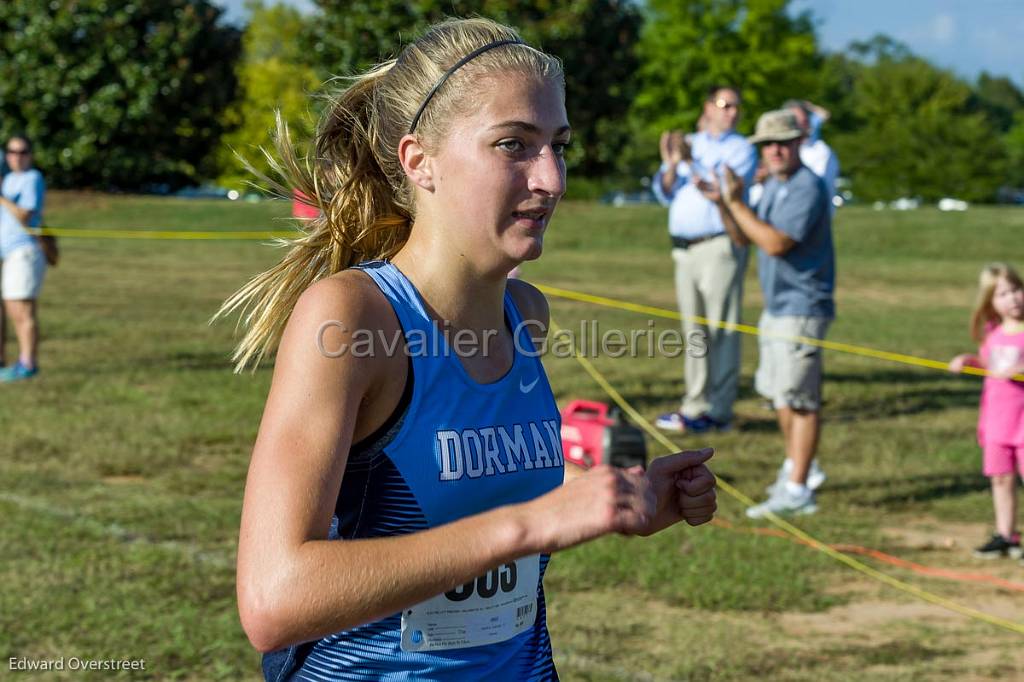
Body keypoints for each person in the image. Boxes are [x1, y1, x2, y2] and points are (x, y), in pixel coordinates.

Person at [218, 18, 718, 681]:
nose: (551, 180)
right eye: (513, 144)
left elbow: (471, 517)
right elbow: (274, 599)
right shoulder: (353, 319)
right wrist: (529, 524)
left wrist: (615, 503)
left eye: (559, 147)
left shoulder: (525, 314)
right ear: (419, 160)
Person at [698, 109, 835, 517]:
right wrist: (725, 204)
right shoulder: (776, 184)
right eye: (767, 144)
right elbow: (745, 236)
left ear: (798, 144)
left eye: (783, 142)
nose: (775, 150)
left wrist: (737, 201)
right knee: (781, 395)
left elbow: (775, 244)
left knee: (801, 399)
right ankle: (798, 469)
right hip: (779, 306)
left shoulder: (806, 187)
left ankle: (798, 487)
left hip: (802, 306)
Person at [652, 86, 758, 434]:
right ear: (708, 106)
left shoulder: (740, 148)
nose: (732, 112)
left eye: (736, 106)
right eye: (725, 104)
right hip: (684, 249)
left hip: (720, 245)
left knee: (722, 328)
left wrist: (685, 161)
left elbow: (721, 188)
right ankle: (695, 405)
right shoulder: (692, 143)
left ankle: (720, 410)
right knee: (694, 329)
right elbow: (664, 190)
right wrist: (671, 164)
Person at [948, 263, 1024, 560]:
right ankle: (1007, 536)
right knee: (1001, 479)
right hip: (997, 423)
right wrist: (968, 361)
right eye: (1003, 294)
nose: (1013, 298)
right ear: (991, 302)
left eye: (1016, 289)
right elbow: (987, 365)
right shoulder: (993, 334)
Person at [0, 135, 47, 381]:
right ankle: (15, 362)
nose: (16, 156)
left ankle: (28, 363)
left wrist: (1, 197)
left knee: (22, 311)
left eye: (22, 152)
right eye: (11, 152)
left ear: (30, 154)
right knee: (11, 309)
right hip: (8, 253)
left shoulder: (32, 178)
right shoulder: (8, 179)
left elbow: (24, 215)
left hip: (24, 252)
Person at [784, 99, 839, 211]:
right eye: (793, 121)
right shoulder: (780, 150)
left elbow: (814, 192)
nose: (797, 125)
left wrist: (811, 106)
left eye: (802, 121)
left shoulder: (821, 153)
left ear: (808, 122)